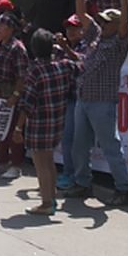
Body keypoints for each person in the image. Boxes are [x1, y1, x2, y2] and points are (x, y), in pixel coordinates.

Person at [62, 0, 128, 206]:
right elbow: (81, 14)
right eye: (101, 21)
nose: (101, 25)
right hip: (84, 99)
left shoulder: (118, 43)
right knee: (79, 146)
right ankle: (83, 183)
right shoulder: (96, 37)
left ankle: (123, 188)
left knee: (110, 145)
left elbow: (124, 24)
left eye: (105, 22)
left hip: (102, 102)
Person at [14, 29, 80, 215]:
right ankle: (51, 197)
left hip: (39, 124)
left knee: (40, 163)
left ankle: (46, 203)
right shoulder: (64, 66)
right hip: (57, 121)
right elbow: (81, 64)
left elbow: (27, 103)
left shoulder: (35, 72)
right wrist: (65, 48)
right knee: (49, 160)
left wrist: (19, 127)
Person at [0, 12, 28, 179]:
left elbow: (22, 76)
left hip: (10, 95)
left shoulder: (17, 48)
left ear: (11, 29)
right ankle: (1, 161)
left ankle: (16, 165)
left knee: (13, 131)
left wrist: (15, 95)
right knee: (0, 129)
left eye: (3, 25)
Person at [53, 15, 86, 189]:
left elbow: (82, 63)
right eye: (68, 28)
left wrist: (65, 48)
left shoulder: (87, 46)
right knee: (66, 139)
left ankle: (74, 175)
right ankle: (68, 172)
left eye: (75, 28)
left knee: (74, 140)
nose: (71, 32)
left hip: (79, 98)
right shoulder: (59, 49)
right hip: (63, 98)